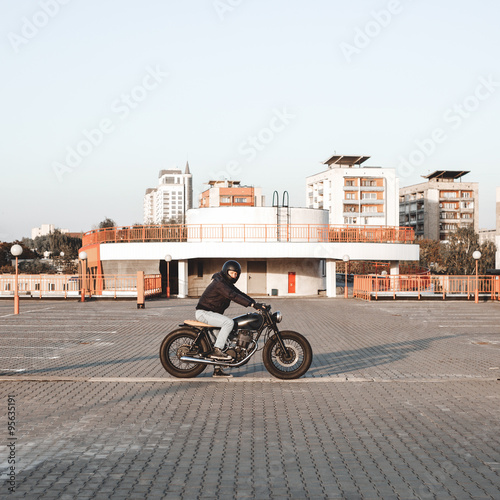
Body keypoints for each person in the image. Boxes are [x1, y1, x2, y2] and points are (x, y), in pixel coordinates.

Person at [195, 260, 264, 377]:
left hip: (211, 314)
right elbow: (233, 295)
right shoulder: (219, 283)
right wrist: (251, 305)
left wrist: (254, 303)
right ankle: (217, 350)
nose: (234, 276)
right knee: (228, 323)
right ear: (226, 272)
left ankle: (217, 370)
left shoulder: (226, 283)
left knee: (223, 341)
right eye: (232, 273)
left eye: (236, 274)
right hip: (204, 313)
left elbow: (239, 293)